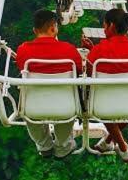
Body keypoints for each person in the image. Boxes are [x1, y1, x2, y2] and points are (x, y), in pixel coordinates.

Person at [82, 8, 128, 163]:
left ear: (112, 26)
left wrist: (92, 51)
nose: (103, 29)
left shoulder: (98, 51)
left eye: (104, 26)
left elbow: (89, 77)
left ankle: (120, 145)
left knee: (100, 97)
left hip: (102, 105)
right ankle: (113, 143)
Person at [16, 9, 84, 159]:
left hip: (33, 107)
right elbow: (79, 70)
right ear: (54, 28)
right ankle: (63, 145)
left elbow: (21, 68)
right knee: (66, 109)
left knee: (29, 108)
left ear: (35, 30)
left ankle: (44, 145)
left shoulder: (23, 50)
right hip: (65, 107)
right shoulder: (69, 50)